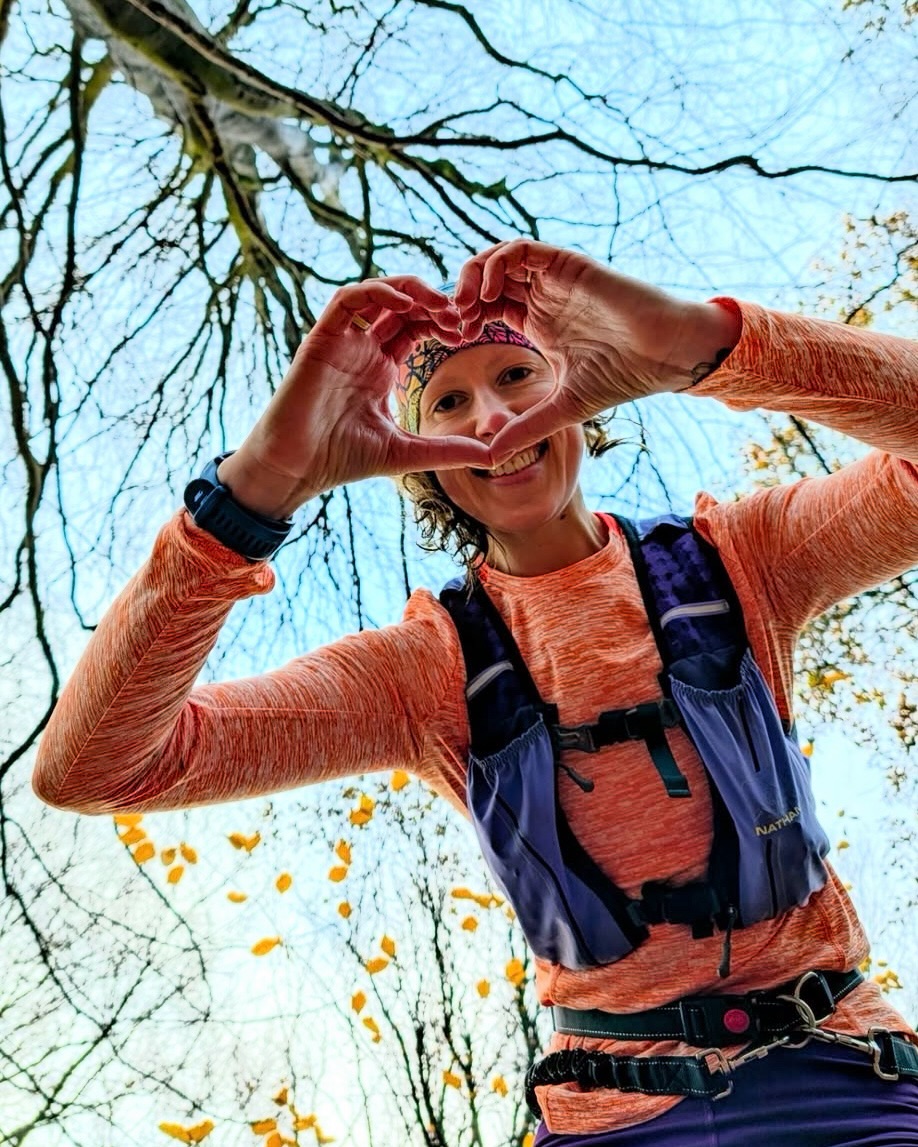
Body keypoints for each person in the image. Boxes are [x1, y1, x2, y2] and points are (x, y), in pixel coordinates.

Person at [33, 240, 918, 1145]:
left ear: (585, 390)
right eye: (447, 403)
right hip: (615, 1115)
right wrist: (252, 491)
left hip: (847, 1071)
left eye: (516, 377)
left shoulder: (743, 560)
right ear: (416, 457)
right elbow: (97, 767)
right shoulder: (427, 671)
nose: (491, 418)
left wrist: (698, 344)